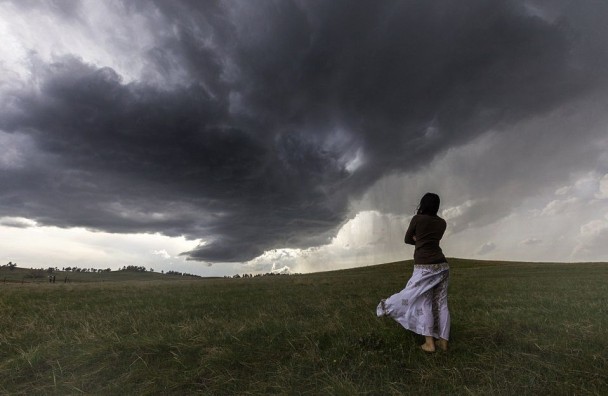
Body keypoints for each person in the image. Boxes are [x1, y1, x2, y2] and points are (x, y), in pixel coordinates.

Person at [377, 192, 450, 352]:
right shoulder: (442, 223)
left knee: (425, 302)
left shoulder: (417, 219)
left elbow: (407, 239)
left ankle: (429, 343)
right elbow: (432, 240)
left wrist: (418, 239)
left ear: (422, 204)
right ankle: (443, 342)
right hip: (443, 265)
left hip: (424, 267)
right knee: (442, 304)